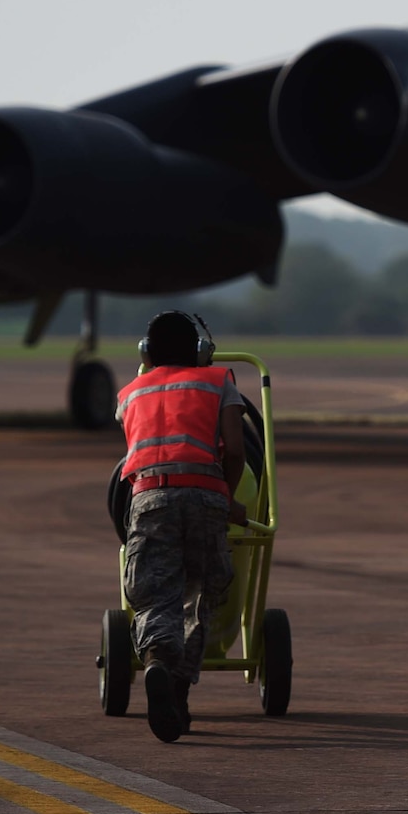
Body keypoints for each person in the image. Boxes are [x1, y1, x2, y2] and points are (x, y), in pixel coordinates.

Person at [115, 310, 245, 742]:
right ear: (201, 352)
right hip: (206, 492)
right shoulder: (217, 383)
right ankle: (179, 691)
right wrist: (227, 499)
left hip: (149, 496)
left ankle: (155, 659)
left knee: (154, 592)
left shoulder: (130, 393)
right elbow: (237, 452)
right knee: (202, 590)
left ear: (146, 354)